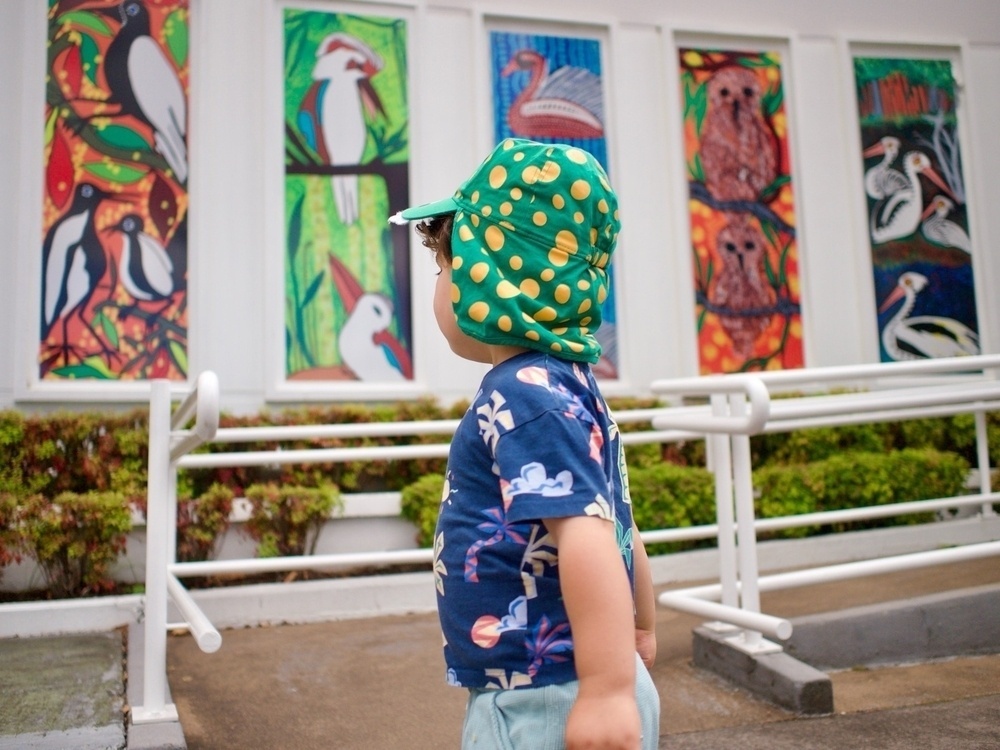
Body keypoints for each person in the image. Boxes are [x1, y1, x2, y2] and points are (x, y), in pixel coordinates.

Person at [390, 138, 659, 749]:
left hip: (545, 696)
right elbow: (618, 520)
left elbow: (588, 536)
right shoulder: (566, 387)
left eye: (445, 267)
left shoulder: (523, 397)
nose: (438, 285)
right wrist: (637, 630)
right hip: (577, 677)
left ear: (496, 275)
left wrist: (608, 686)